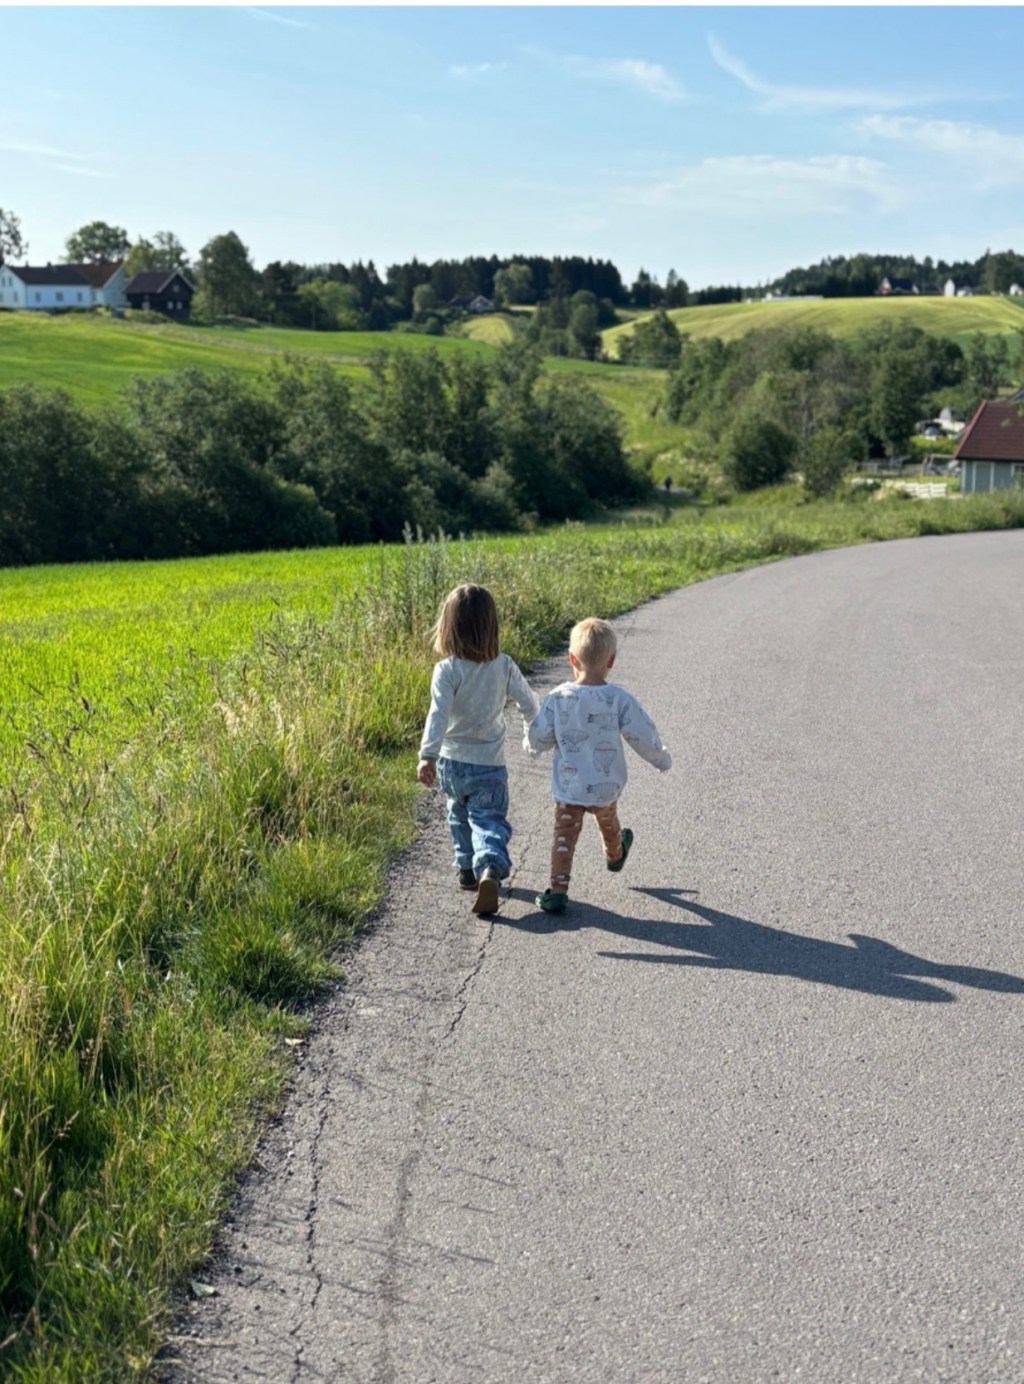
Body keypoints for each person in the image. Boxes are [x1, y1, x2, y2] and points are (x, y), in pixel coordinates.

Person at [526, 616, 671, 914]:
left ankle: (557, 890)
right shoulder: (618, 699)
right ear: (611, 661)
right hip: (605, 786)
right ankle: (615, 853)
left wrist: (530, 746)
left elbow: (540, 735)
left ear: (571, 659)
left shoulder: (557, 698)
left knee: (564, 838)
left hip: (570, 789)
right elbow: (641, 733)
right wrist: (661, 759)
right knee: (608, 822)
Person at [417, 584, 539, 917]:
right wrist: (535, 734)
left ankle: (466, 871)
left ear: (448, 627)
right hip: (489, 766)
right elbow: (529, 703)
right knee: (487, 820)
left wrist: (427, 755)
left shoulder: (446, 670)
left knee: (457, 815)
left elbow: (438, 714)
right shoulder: (504, 666)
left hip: (451, 763)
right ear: (491, 627)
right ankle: (489, 868)